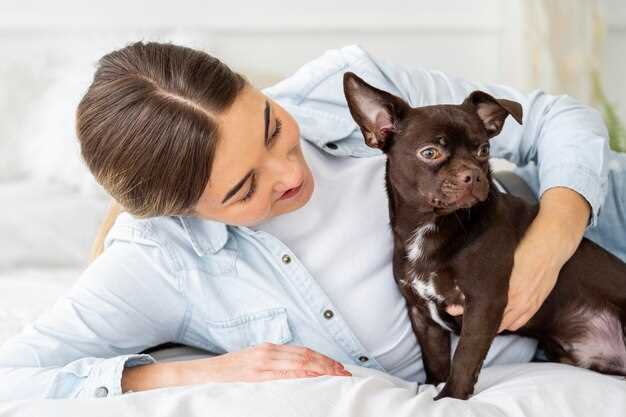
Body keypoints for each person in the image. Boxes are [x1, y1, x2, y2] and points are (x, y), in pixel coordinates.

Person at [0, 41, 622, 400]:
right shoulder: (158, 260)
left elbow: (552, 118)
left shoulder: (339, 87)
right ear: (177, 211)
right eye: (245, 188)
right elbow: (13, 380)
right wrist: (200, 372)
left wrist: (551, 237)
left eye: (272, 127)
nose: (287, 174)